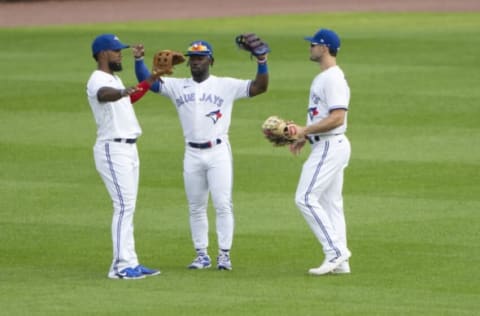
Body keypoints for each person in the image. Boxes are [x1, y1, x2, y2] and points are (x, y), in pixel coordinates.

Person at [133, 39, 269, 270]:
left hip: (218, 152)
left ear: (210, 60)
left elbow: (259, 87)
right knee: (196, 206)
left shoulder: (225, 85)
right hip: (192, 153)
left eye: (201, 57)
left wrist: (262, 61)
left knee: (222, 204)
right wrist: (138, 60)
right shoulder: (177, 86)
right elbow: (150, 84)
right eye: (193, 58)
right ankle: (201, 254)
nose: (196, 61)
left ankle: (224, 254)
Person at [86, 33, 161, 279]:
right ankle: (119, 267)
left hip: (128, 149)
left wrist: (152, 78)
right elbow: (104, 95)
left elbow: (131, 97)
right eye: (116, 50)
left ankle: (131, 261)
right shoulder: (98, 79)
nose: (120, 54)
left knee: (128, 207)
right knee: (123, 207)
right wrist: (120, 92)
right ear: (103, 54)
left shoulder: (114, 78)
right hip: (112, 148)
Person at [289, 29, 352, 275]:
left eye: (313, 45)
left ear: (324, 48)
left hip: (330, 145)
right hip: (327, 143)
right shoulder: (323, 77)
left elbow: (337, 117)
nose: (310, 48)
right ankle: (341, 263)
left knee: (304, 198)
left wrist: (306, 130)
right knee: (331, 204)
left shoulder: (333, 79)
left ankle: (335, 251)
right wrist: (306, 134)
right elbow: (322, 114)